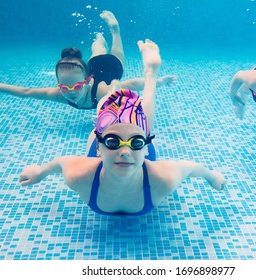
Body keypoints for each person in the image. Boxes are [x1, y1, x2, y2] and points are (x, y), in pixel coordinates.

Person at [19, 39, 227, 216]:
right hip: (111, 141)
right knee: (116, 113)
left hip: (132, 144)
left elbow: (191, 168)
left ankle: (150, 75)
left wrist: (211, 176)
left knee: (136, 121)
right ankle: (137, 83)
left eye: (136, 144)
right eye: (112, 143)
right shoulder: (80, 176)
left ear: (146, 149)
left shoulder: (163, 178)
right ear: (99, 149)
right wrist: (39, 172)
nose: (125, 152)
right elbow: (60, 163)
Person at [0, 11, 177, 110]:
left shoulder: (104, 91)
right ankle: (97, 39)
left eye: (76, 86)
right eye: (64, 87)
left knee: (116, 53)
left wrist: (156, 82)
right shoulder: (62, 94)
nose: (70, 92)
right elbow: (27, 92)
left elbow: (132, 85)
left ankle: (115, 30)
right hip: (95, 66)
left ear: (86, 80)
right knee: (96, 52)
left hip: (111, 70)